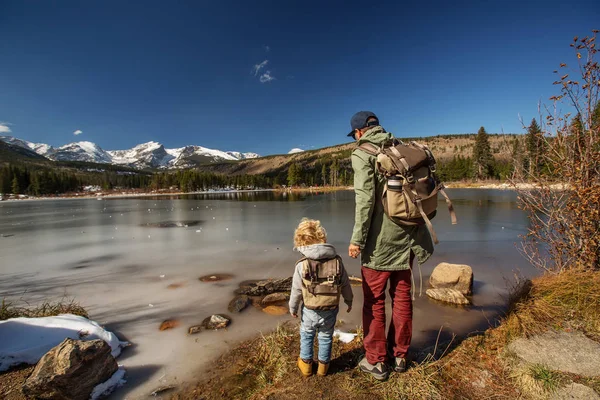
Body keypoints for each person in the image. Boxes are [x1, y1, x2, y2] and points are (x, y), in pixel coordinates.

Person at [347, 111, 434, 381]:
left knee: (373, 302)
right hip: (408, 238)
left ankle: (375, 361)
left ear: (359, 132)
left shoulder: (363, 154)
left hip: (379, 244)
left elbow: (364, 201)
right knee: (402, 298)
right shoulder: (399, 146)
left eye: (354, 135)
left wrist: (357, 240)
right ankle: (400, 356)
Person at [289, 218, 353, 377]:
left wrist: (292, 307)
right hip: (330, 308)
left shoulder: (301, 264)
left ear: (301, 243)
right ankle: (323, 367)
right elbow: (345, 284)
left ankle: (306, 365)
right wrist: (349, 300)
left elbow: (296, 290)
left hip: (310, 309)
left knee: (307, 334)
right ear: (322, 238)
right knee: (325, 336)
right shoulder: (337, 261)